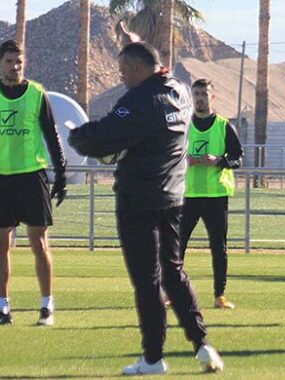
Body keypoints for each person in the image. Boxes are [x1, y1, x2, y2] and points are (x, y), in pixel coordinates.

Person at [68, 42, 224, 376]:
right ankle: (202, 345)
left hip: (138, 199)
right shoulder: (179, 90)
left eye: (124, 71)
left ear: (139, 69)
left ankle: (153, 359)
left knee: (147, 280)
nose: (122, 78)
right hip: (173, 199)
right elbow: (154, 63)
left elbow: (103, 136)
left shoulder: (139, 100)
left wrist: (76, 136)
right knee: (174, 272)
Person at [0, 39, 67, 327]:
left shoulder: (37, 94)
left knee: (39, 243)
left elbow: (52, 134)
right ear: (0, 63)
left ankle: (47, 307)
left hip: (32, 176)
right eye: (9, 62)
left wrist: (61, 172)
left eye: (19, 62)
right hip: (0, 178)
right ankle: (2, 309)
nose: (14, 67)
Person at [180, 78, 243, 309]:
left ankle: (219, 296)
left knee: (219, 247)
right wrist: (184, 160)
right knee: (176, 247)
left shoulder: (224, 126)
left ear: (212, 97)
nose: (199, 98)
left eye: (204, 94)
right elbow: (170, 154)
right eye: (196, 94)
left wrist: (219, 161)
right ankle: (170, 293)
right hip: (187, 195)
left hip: (216, 196)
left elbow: (238, 157)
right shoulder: (184, 126)